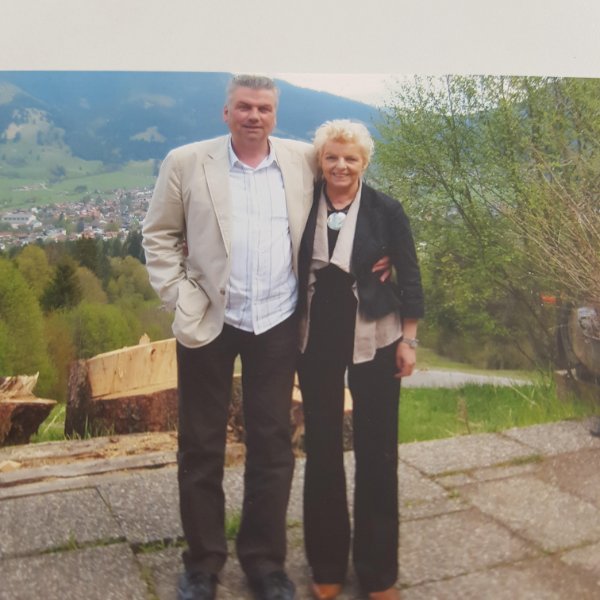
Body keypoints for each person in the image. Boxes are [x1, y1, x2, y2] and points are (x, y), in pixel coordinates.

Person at [142, 74, 316, 600]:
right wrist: (182, 299)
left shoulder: (303, 160)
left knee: (273, 444)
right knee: (200, 445)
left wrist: (385, 250)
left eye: (263, 108)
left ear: (275, 115)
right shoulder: (186, 162)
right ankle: (202, 565)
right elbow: (159, 235)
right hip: (210, 320)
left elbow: (349, 192)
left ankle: (265, 563)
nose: (253, 116)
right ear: (226, 113)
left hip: (277, 320)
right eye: (244, 106)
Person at [297, 120, 424, 600]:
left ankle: (378, 571)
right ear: (320, 161)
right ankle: (327, 563)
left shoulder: (386, 209)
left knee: (378, 451)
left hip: (377, 334)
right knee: (322, 449)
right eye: (332, 157)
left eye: (350, 158)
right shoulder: (303, 204)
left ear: (364, 162)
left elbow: (410, 275)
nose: (340, 166)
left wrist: (409, 340)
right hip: (315, 336)